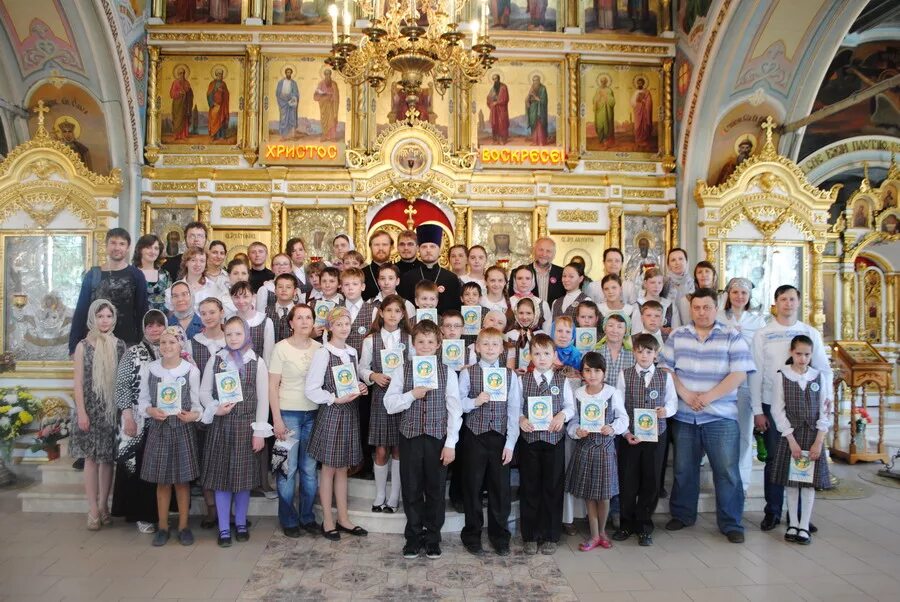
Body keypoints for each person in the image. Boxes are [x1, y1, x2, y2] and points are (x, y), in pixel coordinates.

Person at [660, 288, 755, 543]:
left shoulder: (731, 336)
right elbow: (665, 368)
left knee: (726, 471)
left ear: (716, 308)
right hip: (684, 415)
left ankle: (731, 522)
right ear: (691, 309)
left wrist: (708, 396)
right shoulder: (679, 336)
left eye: (707, 307)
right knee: (683, 469)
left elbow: (739, 373)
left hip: (720, 416)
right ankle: (682, 514)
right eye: (697, 308)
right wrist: (685, 393)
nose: (702, 312)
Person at [750, 284, 832, 533]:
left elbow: (823, 370)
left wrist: (826, 403)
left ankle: (799, 517)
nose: (788, 303)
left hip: (807, 409)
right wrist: (757, 409)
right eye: (783, 299)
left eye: (792, 299)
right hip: (772, 404)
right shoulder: (763, 334)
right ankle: (773, 511)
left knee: (803, 457)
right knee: (775, 459)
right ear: (775, 303)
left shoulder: (809, 332)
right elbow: (755, 372)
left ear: (798, 302)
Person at [384, 320, 462, 559]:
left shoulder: (447, 372)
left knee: (436, 489)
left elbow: (455, 409)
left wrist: (450, 443)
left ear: (438, 345)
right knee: (411, 487)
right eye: (421, 342)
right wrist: (411, 395)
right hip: (410, 437)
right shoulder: (402, 370)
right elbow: (389, 404)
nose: (425, 346)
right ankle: (413, 537)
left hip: (437, 439)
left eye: (430, 342)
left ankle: (432, 538)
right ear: (413, 344)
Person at [199, 317, 270, 547]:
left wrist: (259, 431)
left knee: (242, 479)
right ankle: (223, 528)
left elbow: (263, 399)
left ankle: (240, 522)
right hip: (221, 426)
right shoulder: (216, 359)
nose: (233, 338)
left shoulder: (256, 361)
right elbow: (204, 392)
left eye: (238, 334)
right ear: (224, 335)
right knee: (221, 479)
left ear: (246, 334)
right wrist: (215, 408)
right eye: (229, 334)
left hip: (246, 427)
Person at [305, 307, 369, 540]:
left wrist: (361, 387)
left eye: (346, 323)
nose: (344, 327)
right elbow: (311, 388)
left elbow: (351, 382)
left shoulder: (352, 352)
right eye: (339, 323)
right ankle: (328, 521)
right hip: (332, 414)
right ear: (330, 327)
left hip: (349, 413)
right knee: (329, 468)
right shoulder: (324, 352)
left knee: (343, 468)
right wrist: (334, 398)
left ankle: (343, 518)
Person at [458, 327, 520, 556]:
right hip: (475, 436)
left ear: (502, 349)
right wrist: (475, 402)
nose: (490, 348)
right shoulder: (468, 373)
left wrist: (511, 443)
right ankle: (472, 534)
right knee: (472, 487)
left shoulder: (510, 375)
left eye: (495, 344)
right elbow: (458, 404)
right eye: (486, 344)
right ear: (477, 347)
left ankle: (499, 536)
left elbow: (514, 410)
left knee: (500, 489)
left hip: (500, 439)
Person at [138, 325, 202, 547]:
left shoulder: (191, 371)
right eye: (163, 342)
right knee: (162, 481)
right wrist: (150, 411)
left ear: (180, 345)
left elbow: (197, 405)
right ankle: (163, 526)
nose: (167, 346)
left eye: (172, 342)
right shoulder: (151, 369)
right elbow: (143, 400)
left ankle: (184, 526)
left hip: (182, 429)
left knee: (182, 481)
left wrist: (191, 416)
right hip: (160, 429)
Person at [613, 334, 676, 546]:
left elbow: (672, 402)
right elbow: (619, 406)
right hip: (631, 436)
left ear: (656, 354)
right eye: (640, 351)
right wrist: (624, 432)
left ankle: (644, 525)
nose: (644, 355)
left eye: (649, 351)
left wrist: (665, 411)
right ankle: (626, 523)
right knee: (628, 480)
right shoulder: (625, 375)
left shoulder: (665, 376)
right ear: (634, 353)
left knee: (651, 481)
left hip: (656, 436)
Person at [769, 335, 832, 546]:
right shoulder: (782, 376)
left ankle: (804, 524)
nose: (802, 358)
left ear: (811, 355)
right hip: (791, 436)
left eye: (807, 354)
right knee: (792, 482)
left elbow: (825, 409)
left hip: (813, 435)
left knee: (808, 484)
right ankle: (793, 523)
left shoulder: (818, 377)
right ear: (791, 353)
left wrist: (819, 440)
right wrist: (790, 439)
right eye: (798, 354)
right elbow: (777, 410)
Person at [518, 333, 576, 556]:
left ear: (554, 356)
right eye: (537, 354)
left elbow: (571, 407)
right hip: (530, 441)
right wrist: (521, 419)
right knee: (530, 487)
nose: (542, 358)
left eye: (546, 354)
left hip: (554, 441)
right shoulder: (522, 380)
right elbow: (516, 407)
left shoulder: (562, 381)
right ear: (530, 356)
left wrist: (562, 415)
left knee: (552, 487)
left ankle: (551, 535)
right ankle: (530, 535)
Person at [71, 299, 127, 530]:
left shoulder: (120, 345)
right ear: (93, 318)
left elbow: (123, 382)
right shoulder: (83, 345)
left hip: (110, 411)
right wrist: (82, 412)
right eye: (100, 316)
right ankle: (92, 509)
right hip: (90, 411)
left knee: (108, 461)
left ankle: (104, 505)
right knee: (91, 460)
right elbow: (78, 383)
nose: (104, 320)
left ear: (114, 319)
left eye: (108, 316)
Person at [112, 309, 167, 533]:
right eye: (149, 325)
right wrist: (127, 416)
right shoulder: (133, 352)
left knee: (156, 469)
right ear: (144, 328)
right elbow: (122, 384)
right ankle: (141, 515)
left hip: (161, 418)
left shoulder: (170, 348)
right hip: (135, 416)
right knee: (138, 469)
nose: (154, 329)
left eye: (158, 324)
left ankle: (158, 513)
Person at [269, 305, 323, 537]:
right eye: (298, 317)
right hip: (288, 413)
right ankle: (288, 519)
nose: (304, 321)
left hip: (314, 414)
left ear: (313, 322)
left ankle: (307, 517)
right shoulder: (280, 348)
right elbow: (272, 386)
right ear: (290, 323)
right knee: (286, 470)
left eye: (308, 317)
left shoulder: (320, 349)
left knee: (309, 470)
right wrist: (277, 419)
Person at [566, 351, 627, 552]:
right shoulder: (578, 393)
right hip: (585, 447)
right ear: (582, 373)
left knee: (605, 495)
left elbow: (623, 418)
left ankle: (602, 531)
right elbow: (573, 420)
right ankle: (593, 535)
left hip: (605, 448)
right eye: (587, 370)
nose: (592, 375)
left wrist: (613, 428)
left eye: (597, 370)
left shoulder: (612, 392)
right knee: (589, 495)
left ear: (604, 372)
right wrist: (577, 430)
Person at [359, 295, 411, 514]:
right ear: (381, 313)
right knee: (381, 450)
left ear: (402, 314)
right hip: (380, 397)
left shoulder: (410, 338)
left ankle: (394, 495)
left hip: (402, 399)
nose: (392, 315)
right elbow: (362, 367)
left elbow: (417, 366)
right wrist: (373, 375)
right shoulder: (371, 339)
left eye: (397, 311)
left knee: (399, 449)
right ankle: (380, 494)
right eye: (388, 310)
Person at [717, 278, 766, 493]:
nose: (739, 296)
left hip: (747, 381)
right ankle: (723, 478)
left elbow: (760, 353)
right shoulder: (718, 317)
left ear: (749, 296)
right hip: (721, 382)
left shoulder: (758, 322)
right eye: (735, 292)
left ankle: (742, 482)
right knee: (722, 432)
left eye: (743, 293)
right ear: (728, 294)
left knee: (745, 433)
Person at [69, 228, 148, 354]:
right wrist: (73, 346)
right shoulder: (93, 275)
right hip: (95, 344)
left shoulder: (136, 275)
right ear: (106, 246)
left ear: (128, 248)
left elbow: (142, 312)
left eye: (122, 244)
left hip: (127, 344)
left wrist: (143, 344)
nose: (117, 247)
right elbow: (81, 311)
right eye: (113, 243)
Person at [398, 224, 462, 315]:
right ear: (418, 250)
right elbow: (403, 309)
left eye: (432, 246)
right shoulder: (408, 277)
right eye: (424, 247)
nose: (428, 250)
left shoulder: (451, 278)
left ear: (439, 250)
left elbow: (456, 310)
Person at [508, 237, 565, 307]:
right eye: (541, 250)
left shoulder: (562, 273)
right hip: (525, 316)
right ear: (534, 251)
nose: (544, 254)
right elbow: (511, 300)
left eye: (548, 251)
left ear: (554, 254)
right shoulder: (519, 273)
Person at [231, 281, 274, 365]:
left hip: (257, 370)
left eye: (245, 296)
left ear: (253, 297)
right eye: (236, 297)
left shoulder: (265, 321)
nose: (241, 301)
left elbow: (268, 355)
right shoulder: (228, 319)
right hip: (232, 371)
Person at [164, 247, 218, 312]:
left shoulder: (213, 287)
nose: (198, 264)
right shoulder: (173, 289)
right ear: (186, 263)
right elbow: (170, 316)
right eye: (193, 260)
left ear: (206, 264)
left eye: (202, 261)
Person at [133, 234, 170, 312]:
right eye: (148, 247)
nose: (153, 251)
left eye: (156, 248)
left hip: (161, 321)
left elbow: (171, 301)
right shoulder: (132, 274)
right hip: (138, 321)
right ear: (140, 249)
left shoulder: (165, 274)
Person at [509, 266, 552, 331]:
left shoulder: (542, 304)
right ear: (514, 280)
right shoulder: (507, 303)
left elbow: (547, 332)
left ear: (533, 280)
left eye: (528, 278)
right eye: (520, 278)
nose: (524, 282)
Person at [362, 229, 394, 301]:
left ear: (391, 247)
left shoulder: (399, 272)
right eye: (376, 245)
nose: (381, 248)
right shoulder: (362, 274)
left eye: (384, 244)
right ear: (370, 247)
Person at [314, 68, 340, 141]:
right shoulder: (321, 83)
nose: (328, 76)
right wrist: (323, 95)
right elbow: (316, 95)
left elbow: (336, 96)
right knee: (324, 121)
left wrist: (331, 97)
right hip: (323, 106)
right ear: (324, 75)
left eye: (329, 74)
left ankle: (332, 137)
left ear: (331, 75)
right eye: (326, 74)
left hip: (331, 106)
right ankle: (324, 136)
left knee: (332, 120)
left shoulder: (334, 84)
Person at [169, 66, 194, 141]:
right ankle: (176, 135)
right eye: (180, 73)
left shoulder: (187, 83)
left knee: (184, 119)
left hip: (185, 104)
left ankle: (183, 135)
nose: (182, 75)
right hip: (177, 104)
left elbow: (191, 94)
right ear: (178, 74)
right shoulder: (175, 82)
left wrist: (188, 92)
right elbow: (171, 94)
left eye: (183, 73)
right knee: (177, 119)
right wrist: (179, 92)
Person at [276, 67, 300, 139]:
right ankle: (284, 136)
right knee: (283, 119)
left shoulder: (294, 83)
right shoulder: (281, 82)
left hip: (291, 104)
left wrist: (293, 98)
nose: (289, 74)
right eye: (287, 72)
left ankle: (292, 136)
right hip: (283, 104)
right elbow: (278, 93)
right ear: (285, 73)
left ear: (291, 73)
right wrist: (284, 99)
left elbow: (296, 93)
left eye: (290, 72)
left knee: (292, 118)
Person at [207, 68, 230, 141]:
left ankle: (222, 136)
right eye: (219, 75)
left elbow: (227, 94)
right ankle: (214, 135)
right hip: (215, 105)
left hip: (222, 105)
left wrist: (223, 91)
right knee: (214, 120)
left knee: (222, 120)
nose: (221, 76)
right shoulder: (212, 84)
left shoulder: (224, 84)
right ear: (216, 75)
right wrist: (212, 103)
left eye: (222, 75)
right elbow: (209, 94)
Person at [486, 74, 510, 144]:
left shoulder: (503, 87)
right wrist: (491, 102)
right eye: (493, 79)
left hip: (502, 109)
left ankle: (502, 140)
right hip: (494, 110)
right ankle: (495, 140)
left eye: (495, 79)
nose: (494, 80)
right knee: (495, 124)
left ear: (498, 79)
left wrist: (497, 102)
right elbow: (489, 97)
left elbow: (505, 98)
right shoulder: (493, 88)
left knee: (502, 124)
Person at [526, 75, 549, 144]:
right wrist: (528, 101)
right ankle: (535, 141)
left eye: (536, 80)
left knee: (540, 125)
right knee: (533, 125)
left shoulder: (543, 88)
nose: (534, 82)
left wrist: (536, 98)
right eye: (533, 81)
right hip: (533, 110)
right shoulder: (532, 88)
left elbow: (544, 101)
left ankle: (541, 141)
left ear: (539, 80)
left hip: (540, 110)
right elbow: (529, 98)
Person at [593, 75, 615, 147]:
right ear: (600, 82)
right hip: (599, 110)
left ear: (606, 82)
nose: (603, 83)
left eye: (604, 81)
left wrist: (605, 95)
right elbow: (594, 100)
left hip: (607, 111)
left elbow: (612, 101)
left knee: (607, 125)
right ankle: (601, 139)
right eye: (601, 81)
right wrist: (598, 97)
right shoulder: (598, 90)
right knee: (600, 125)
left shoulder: (609, 90)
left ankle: (606, 140)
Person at [631, 77, 653, 149]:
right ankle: (638, 141)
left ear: (643, 83)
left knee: (644, 125)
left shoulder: (646, 92)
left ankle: (644, 140)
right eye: (638, 83)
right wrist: (638, 102)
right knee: (637, 125)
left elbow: (649, 102)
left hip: (644, 111)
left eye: (641, 83)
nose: (639, 84)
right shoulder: (635, 92)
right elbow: (632, 102)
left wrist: (645, 102)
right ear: (637, 83)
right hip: (637, 111)